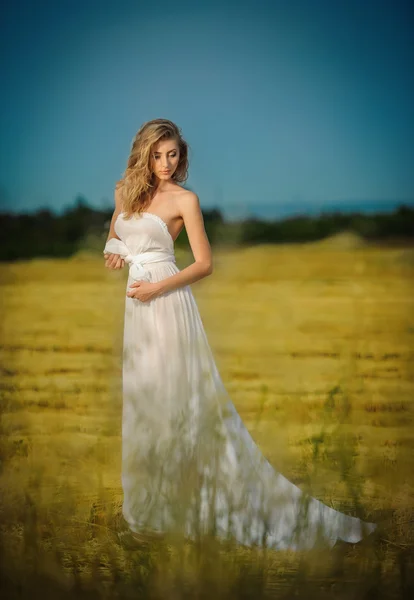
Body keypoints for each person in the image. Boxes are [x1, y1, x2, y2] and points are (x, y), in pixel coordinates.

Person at [103, 118, 376, 550]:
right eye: (157, 154)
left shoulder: (185, 200)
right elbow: (116, 234)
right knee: (142, 399)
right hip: (135, 309)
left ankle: (186, 504)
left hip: (167, 301)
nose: (165, 163)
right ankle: (147, 509)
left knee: (176, 400)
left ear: (182, 155)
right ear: (143, 153)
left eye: (172, 154)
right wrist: (115, 254)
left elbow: (204, 264)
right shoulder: (126, 191)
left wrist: (156, 286)